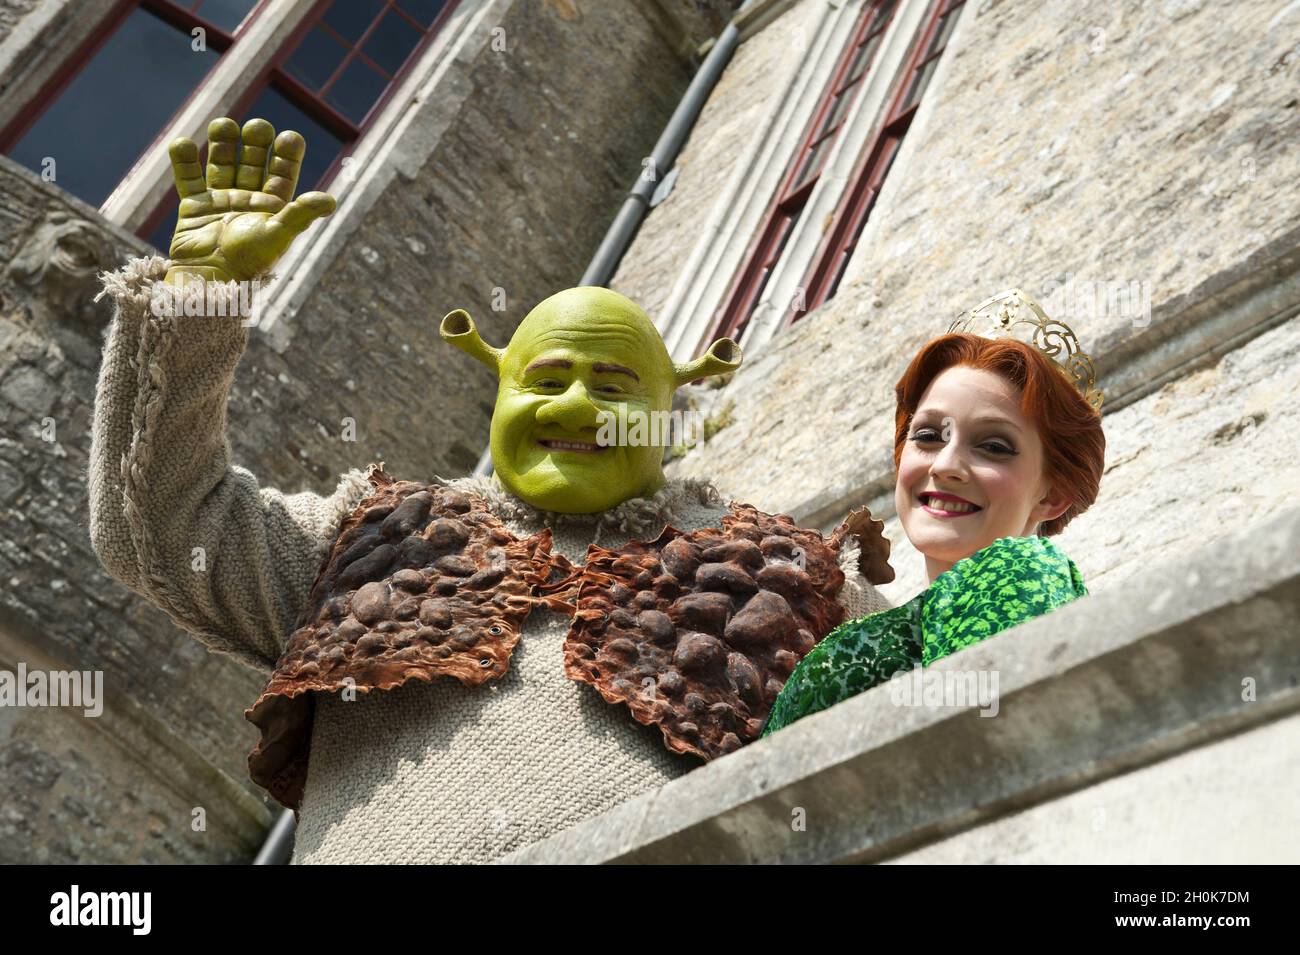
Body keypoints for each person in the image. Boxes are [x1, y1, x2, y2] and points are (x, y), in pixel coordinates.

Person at [88, 118, 894, 863]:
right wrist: (198, 295)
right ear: (499, 391)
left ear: (669, 418)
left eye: (613, 386)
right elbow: (156, 522)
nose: (576, 405)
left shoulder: (795, 578)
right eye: (547, 377)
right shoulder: (374, 536)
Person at [761, 290, 1107, 736]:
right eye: (927, 436)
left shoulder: (1019, 568)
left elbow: (975, 745)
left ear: (1052, 496)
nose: (945, 465)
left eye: (994, 446)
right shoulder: (897, 622)